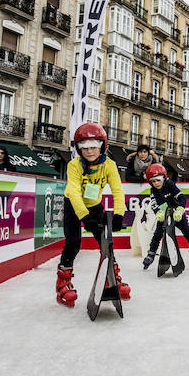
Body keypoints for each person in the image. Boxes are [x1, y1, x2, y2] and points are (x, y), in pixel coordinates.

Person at [56, 123, 129, 307]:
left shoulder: (109, 165)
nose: (89, 152)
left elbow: (118, 191)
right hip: (74, 206)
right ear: (79, 149)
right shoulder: (74, 165)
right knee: (73, 243)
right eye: (85, 148)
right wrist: (84, 217)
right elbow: (73, 192)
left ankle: (112, 277)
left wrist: (119, 214)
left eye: (93, 147)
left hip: (95, 206)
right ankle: (63, 281)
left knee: (106, 242)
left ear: (102, 146)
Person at [142, 163, 189, 269]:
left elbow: (181, 198)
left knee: (187, 231)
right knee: (157, 234)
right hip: (164, 213)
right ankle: (151, 253)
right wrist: (158, 212)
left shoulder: (170, 184)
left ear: (164, 178)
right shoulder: (153, 190)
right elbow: (153, 203)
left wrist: (180, 209)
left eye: (158, 180)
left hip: (176, 212)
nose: (156, 183)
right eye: (153, 181)